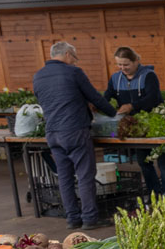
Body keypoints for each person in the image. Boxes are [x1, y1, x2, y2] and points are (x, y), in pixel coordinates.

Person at [32, 41, 117, 229]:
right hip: (75, 130)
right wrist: (114, 114)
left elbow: (46, 101)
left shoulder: (38, 76)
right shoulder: (73, 72)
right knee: (85, 175)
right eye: (74, 58)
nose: (75, 61)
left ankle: (72, 219)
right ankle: (90, 219)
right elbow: (94, 97)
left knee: (65, 177)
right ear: (68, 54)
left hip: (52, 133)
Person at [102, 46, 165, 198]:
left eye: (126, 64)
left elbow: (152, 98)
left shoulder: (148, 76)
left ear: (136, 61)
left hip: (156, 124)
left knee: (163, 163)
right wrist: (97, 105)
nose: (123, 68)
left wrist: (132, 106)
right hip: (136, 128)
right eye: (119, 64)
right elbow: (107, 96)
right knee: (143, 162)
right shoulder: (115, 78)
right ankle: (155, 194)